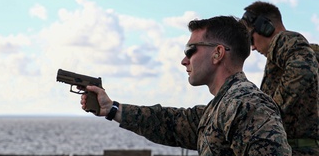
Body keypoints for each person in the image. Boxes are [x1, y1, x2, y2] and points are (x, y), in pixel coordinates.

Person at [80, 16, 291, 155]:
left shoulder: (248, 106)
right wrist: (111, 109)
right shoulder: (222, 107)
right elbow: (170, 123)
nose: (184, 60)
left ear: (217, 53)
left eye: (190, 50)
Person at [241, 1, 319, 155]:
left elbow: (303, 69)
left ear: (265, 27)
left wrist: (269, 115)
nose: (253, 47)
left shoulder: (284, 40)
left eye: (251, 39)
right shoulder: (307, 51)